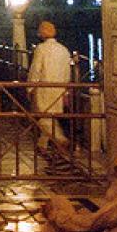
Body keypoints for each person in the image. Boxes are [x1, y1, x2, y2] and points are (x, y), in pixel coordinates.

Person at [28, 21, 71, 154]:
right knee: (50, 116)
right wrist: (66, 91)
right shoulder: (64, 50)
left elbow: (36, 69)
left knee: (44, 115)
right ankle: (43, 144)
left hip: (44, 88)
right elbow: (67, 72)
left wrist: (29, 87)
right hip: (59, 88)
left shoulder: (41, 49)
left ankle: (60, 138)